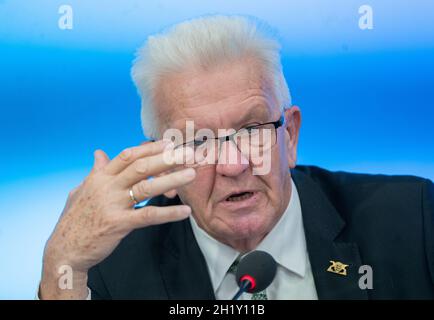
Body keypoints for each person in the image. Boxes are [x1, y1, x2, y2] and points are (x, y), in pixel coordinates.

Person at [39, 15, 434, 300]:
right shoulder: (108, 273)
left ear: (290, 136)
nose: (233, 165)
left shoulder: (413, 221)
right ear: (165, 161)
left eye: (251, 131)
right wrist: (63, 270)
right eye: (198, 142)